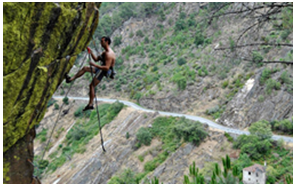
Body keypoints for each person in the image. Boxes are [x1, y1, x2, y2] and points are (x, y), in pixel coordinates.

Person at [65, 36, 116, 111]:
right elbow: (96, 59)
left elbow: (106, 67)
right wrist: (90, 51)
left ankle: (90, 104)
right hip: (100, 68)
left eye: (102, 41)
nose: (100, 43)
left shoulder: (109, 54)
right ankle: (70, 79)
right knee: (85, 68)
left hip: (103, 71)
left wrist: (94, 65)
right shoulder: (104, 52)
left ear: (106, 42)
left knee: (92, 85)